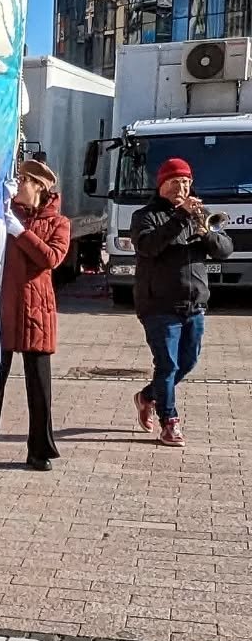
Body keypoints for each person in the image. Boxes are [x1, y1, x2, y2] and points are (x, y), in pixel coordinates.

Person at [0, 157, 69, 470]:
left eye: (22, 180)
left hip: (37, 312)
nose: (16, 185)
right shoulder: (4, 215)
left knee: (39, 387)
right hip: (3, 309)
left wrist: (20, 232)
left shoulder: (59, 223)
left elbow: (50, 258)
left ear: (38, 186)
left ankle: (40, 449)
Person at [131, 156, 232, 448]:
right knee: (167, 365)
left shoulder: (201, 214)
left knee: (187, 363)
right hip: (158, 305)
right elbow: (148, 247)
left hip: (194, 304)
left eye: (186, 182)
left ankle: (147, 396)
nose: (182, 188)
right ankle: (169, 422)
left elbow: (225, 249)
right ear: (161, 184)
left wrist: (205, 232)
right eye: (175, 182)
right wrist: (180, 218)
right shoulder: (145, 216)